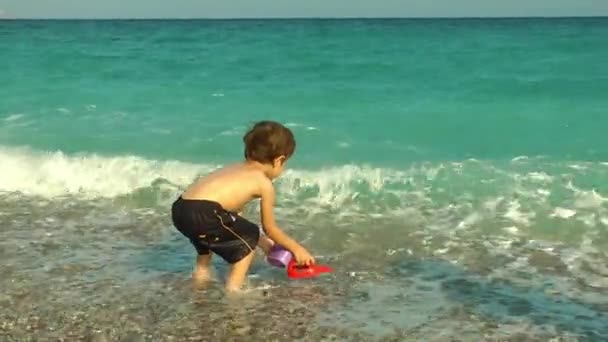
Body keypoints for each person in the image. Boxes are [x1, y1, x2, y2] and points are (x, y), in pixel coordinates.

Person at [171, 120, 315, 292]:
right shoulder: (263, 183)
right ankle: (234, 291)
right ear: (279, 160)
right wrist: (297, 249)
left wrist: (266, 245)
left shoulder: (234, 169)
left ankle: (200, 277)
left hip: (181, 208)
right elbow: (270, 228)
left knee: (208, 241)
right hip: (205, 212)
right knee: (247, 243)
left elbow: (232, 220)